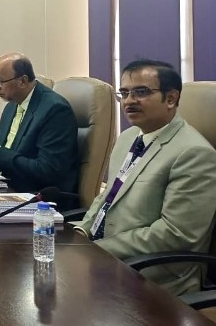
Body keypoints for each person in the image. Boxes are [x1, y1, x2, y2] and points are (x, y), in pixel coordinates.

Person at [73, 60, 216, 296]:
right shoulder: (128, 138)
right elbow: (108, 197)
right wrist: (82, 233)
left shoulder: (194, 153)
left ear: (171, 99)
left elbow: (175, 234)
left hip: (150, 276)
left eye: (141, 92)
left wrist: (97, 250)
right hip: (105, 261)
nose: (129, 101)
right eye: (124, 93)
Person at [0, 53, 79, 193]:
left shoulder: (55, 110)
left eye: (0, 81)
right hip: (3, 185)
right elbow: (6, 155)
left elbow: (47, 171)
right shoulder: (11, 106)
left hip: (33, 194)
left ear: (23, 81)